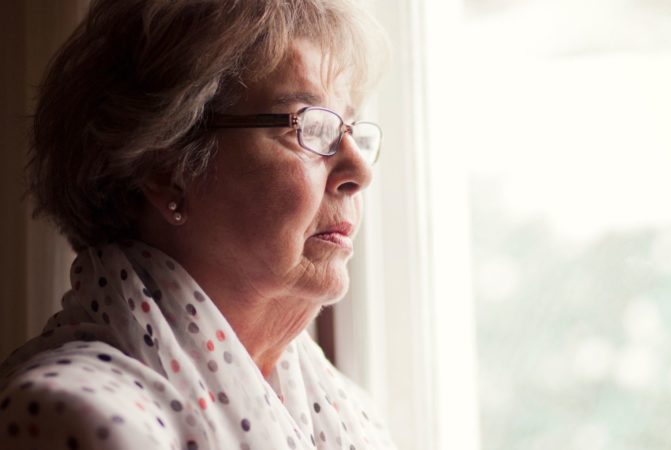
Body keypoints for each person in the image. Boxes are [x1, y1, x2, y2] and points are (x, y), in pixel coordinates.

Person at [0, 0, 394, 448]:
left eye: (351, 127)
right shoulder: (79, 420)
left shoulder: (348, 411)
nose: (360, 170)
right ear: (167, 171)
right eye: (310, 127)